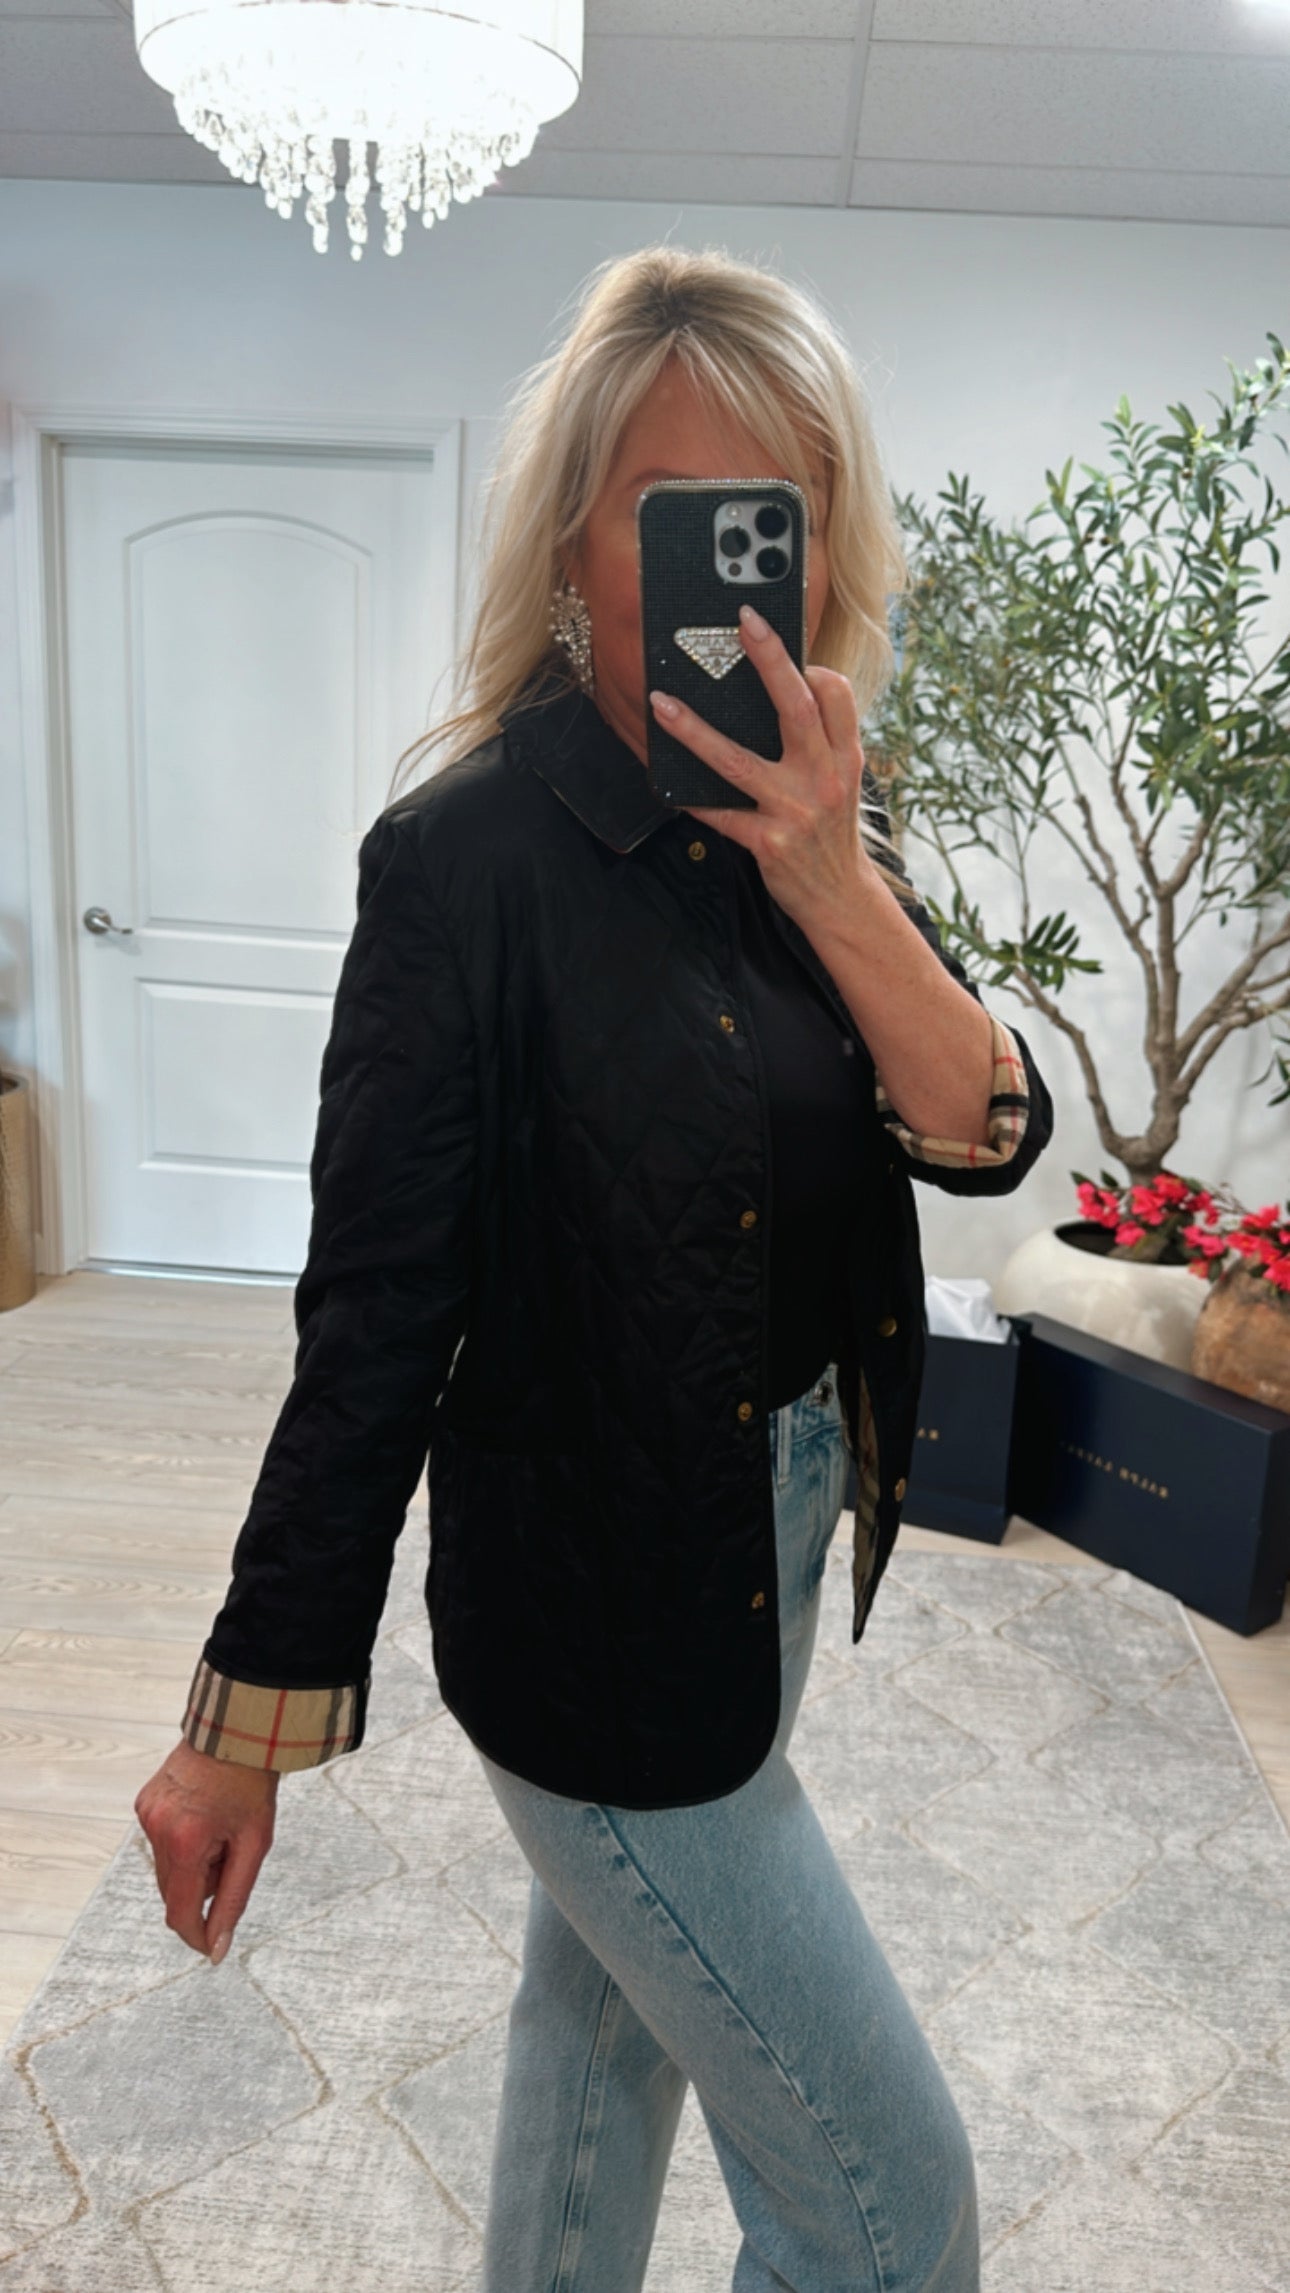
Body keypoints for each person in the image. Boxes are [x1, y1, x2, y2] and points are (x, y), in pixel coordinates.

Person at [135, 244, 1053, 2293]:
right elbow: (373, 1320)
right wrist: (240, 1724)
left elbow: (984, 1127)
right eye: (675, 514)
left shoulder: (823, 826)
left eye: (774, 516)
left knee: (607, 2022)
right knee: (889, 2209)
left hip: (775, 1530)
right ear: (577, 542)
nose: (732, 583)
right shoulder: (461, 865)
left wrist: (832, 878)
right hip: (595, 1589)